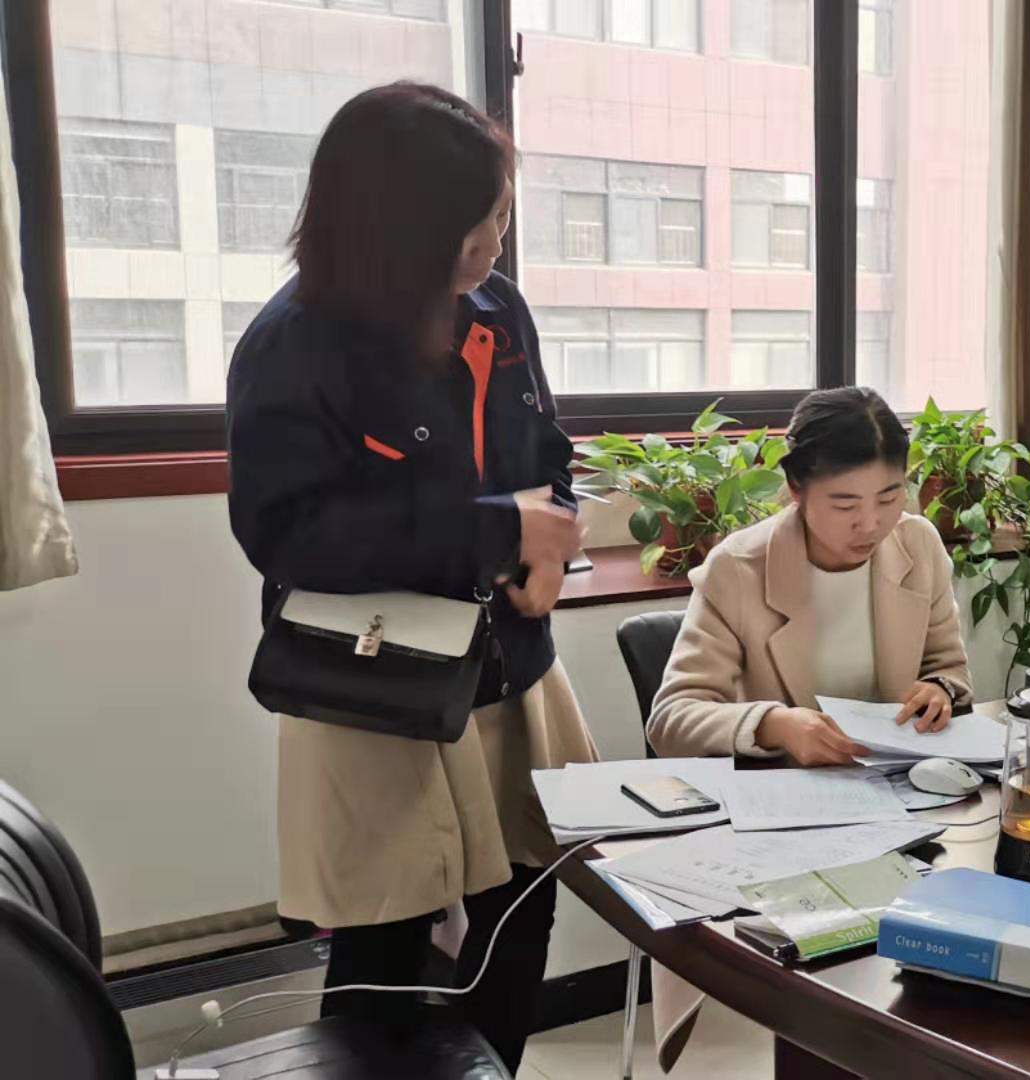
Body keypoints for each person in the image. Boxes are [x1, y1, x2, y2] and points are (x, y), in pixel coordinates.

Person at [225, 83, 595, 1072]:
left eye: (503, 216)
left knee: (523, 898)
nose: (494, 245)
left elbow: (547, 450)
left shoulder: (497, 310)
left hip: (508, 665)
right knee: (385, 937)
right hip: (373, 686)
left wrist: (549, 541)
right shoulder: (295, 343)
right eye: (477, 226)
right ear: (398, 230)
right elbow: (290, 536)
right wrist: (495, 531)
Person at [647, 385, 974, 758]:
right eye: (844, 505)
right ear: (796, 488)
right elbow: (671, 718)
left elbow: (948, 668)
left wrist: (939, 689)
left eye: (888, 498)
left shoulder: (918, 544)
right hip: (786, 784)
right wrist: (772, 725)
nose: (870, 524)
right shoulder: (736, 568)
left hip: (898, 776)